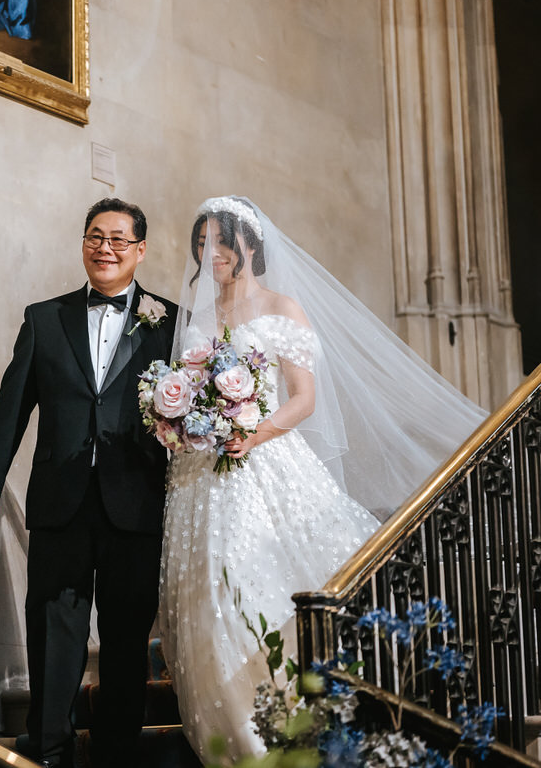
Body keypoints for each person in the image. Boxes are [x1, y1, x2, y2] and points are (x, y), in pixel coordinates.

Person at [157, 196, 487, 761]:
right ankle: (238, 742)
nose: (209, 254)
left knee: (260, 593)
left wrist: (253, 433)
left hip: (261, 461)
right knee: (208, 601)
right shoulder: (199, 318)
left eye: (220, 243)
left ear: (250, 248)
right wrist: (178, 420)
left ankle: (291, 734)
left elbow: (304, 399)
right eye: (202, 244)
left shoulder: (283, 308)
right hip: (199, 479)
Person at [0, 198, 177, 767]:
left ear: (140, 250)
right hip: (60, 501)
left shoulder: (170, 324)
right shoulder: (44, 318)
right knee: (53, 632)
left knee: (128, 637)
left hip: (135, 503)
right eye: (94, 236)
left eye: (117, 239)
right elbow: (12, 408)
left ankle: (115, 756)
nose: (103, 247)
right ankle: (50, 751)